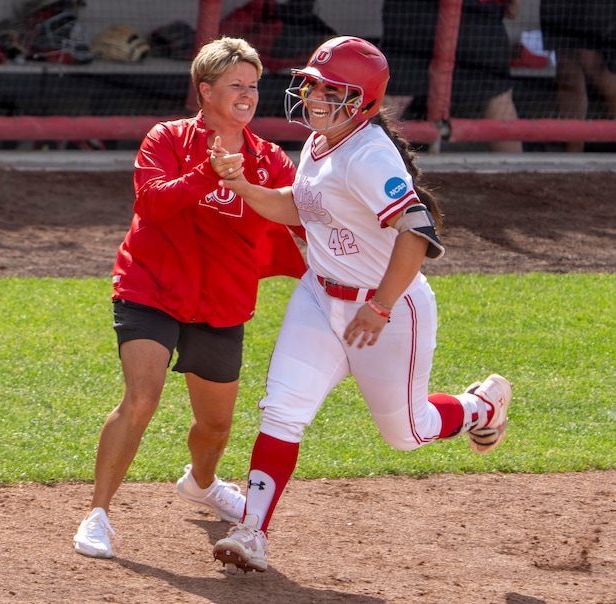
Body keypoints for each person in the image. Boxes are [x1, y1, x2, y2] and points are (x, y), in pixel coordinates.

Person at [208, 36, 513, 573]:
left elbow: (416, 232)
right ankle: (251, 531)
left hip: (387, 312)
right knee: (282, 409)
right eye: (313, 84)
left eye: (332, 90)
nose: (315, 96)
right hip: (320, 297)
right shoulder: (323, 141)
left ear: (363, 100)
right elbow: (299, 206)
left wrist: (383, 304)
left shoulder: (369, 154)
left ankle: (480, 407)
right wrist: (244, 185)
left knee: (407, 434)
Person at [72, 36, 306, 559]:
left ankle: (201, 484)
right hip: (150, 287)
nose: (247, 95)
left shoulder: (269, 159)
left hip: (222, 302)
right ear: (205, 90)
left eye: (253, 86)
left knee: (216, 426)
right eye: (235, 86)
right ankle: (98, 515)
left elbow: (301, 217)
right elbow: (151, 205)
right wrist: (208, 173)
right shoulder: (168, 138)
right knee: (142, 398)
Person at [381, 0, 523, 153]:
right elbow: (513, 11)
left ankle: (362, 162)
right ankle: (520, 172)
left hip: (412, 16)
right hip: (471, 19)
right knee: (498, 97)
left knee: (394, 96)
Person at [540, 0, 616, 152]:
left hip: (594, 8)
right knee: (566, 67)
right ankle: (573, 152)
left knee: (593, 64)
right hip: (560, 7)